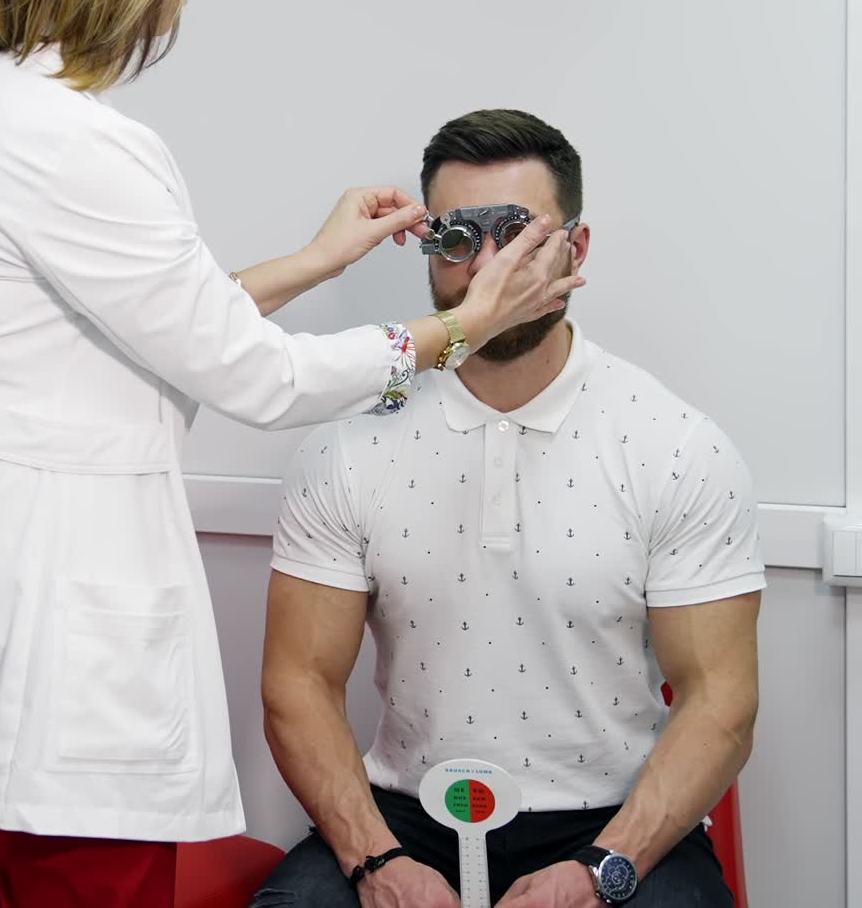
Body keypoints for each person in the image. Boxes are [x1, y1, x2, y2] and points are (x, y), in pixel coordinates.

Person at [0, 0, 583, 908]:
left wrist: (314, 258)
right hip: (56, 658)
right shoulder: (76, 141)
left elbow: (128, 321)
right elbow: (260, 378)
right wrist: (460, 325)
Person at [255, 109, 763, 908]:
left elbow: (721, 702)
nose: (487, 267)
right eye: (459, 237)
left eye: (520, 235)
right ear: (429, 250)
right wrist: (375, 861)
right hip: (404, 821)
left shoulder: (675, 446)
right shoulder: (348, 447)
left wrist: (605, 870)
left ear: (577, 248)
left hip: (611, 823)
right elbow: (298, 681)